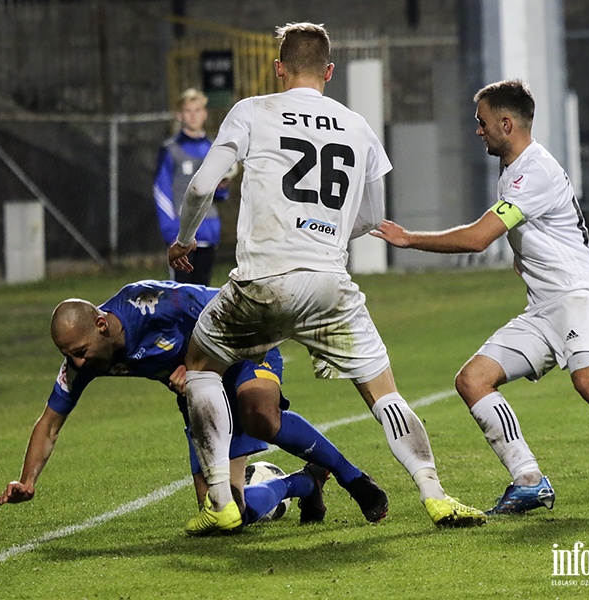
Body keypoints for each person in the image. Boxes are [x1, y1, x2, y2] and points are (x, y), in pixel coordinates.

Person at [168, 22, 485, 535]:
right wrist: (323, 228)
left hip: (262, 282)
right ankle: (435, 494)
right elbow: (372, 218)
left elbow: (204, 183)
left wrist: (185, 238)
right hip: (328, 286)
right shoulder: (357, 126)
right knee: (384, 393)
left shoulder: (252, 111)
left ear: (278, 68)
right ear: (329, 72)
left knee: (200, 366)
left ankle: (222, 501)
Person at [371, 79, 589, 516]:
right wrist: (528, 258)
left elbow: (480, 238)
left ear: (506, 122)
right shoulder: (515, 171)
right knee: (473, 380)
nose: (477, 130)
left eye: (482, 123)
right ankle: (529, 480)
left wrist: (408, 240)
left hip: (578, 295)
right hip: (545, 305)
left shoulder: (534, 169)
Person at [0, 280, 389, 530]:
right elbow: (49, 423)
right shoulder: (84, 362)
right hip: (200, 399)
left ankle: (355, 480)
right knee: (226, 514)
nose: (77, 363)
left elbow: (227, 308)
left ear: (100, 325)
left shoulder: (153, 304)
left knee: (261, 417)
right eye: (68, 355)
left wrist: (197, 361)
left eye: (79, 352)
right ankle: (304, 482)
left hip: (243, 349)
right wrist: (27, 481)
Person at [153, 88, 230, 286]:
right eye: (188, 110)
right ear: (180, 115)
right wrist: (172, 232)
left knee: (202, 291)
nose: (193, 115)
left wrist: (222, 188)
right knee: (180, 292)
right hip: (181, 232)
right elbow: (161, 191)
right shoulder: (170, 149)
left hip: (208, 230)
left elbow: (218, 195)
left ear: (204, 114)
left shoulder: (215, 147)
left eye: (197, 110)